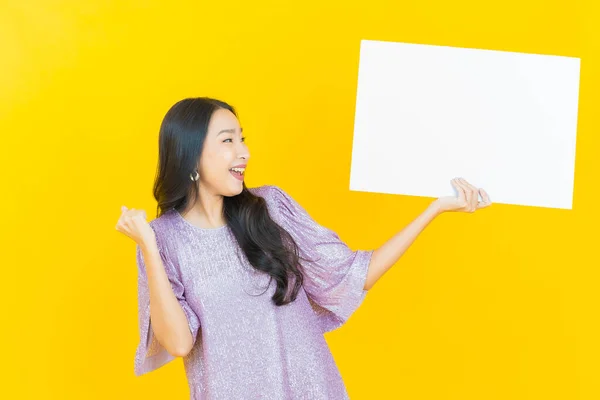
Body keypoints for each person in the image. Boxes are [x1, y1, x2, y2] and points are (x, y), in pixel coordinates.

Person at [115, 97, 492, 399]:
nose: (243, 152)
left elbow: (355, 275)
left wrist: (435, 209)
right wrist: (148, 246)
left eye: (242, 138)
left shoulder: (272, 208)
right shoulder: (161, 240)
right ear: (190, 154)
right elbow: (180, 343)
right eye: (228, 140)